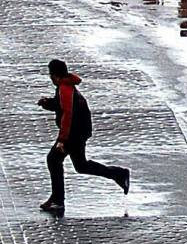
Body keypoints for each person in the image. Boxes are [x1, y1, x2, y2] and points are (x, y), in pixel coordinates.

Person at [38, 60, 130, 213]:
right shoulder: (65, 87)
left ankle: (58, 200)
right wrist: (47, 103)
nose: (50, 78)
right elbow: (61, 105)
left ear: (55, 76)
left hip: (75, 132)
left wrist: (62, 140)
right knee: (81, 165)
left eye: (50, 75)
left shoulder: (65, 89)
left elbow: (67, 114)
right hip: (79, 130)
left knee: (54, 160)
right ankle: (119, 174)